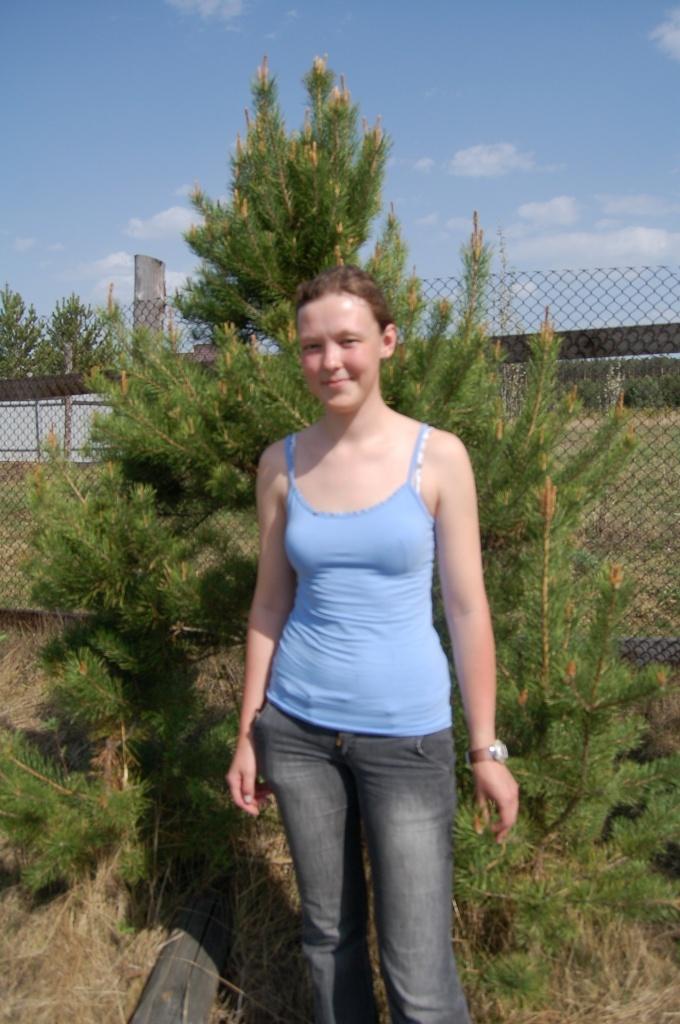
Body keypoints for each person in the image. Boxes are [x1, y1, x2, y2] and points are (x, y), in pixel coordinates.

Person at [227, 265, 519, 1024]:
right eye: (311, 346)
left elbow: (467, 608)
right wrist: (250, 731)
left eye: (348, 341)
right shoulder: (281, 464)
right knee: (328, 940)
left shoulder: (439, 457)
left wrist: (486, 749)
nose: (330, 361)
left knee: (418, 971)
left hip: (408, 740)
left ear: (387, 341)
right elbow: (269, 603)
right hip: (297, 734)